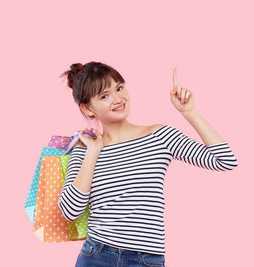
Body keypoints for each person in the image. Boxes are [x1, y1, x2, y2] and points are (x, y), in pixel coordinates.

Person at [58, 61, 238, 267]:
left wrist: (189, 112)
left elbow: (224, 160)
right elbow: (70, 211)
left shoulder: (159, 136)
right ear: (88, 109)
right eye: (104, 96)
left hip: (145, 260)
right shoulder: (85, 148)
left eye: (119, 88)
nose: (118, 99)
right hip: (97, 255)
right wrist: (92, 152)